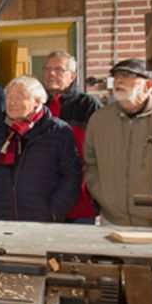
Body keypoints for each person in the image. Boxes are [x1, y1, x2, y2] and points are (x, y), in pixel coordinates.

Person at [0, 75, 81, 223]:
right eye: (9, 97)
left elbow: (71, 176)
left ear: (37, 101)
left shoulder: (58, 132)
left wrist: (54, 212)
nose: (11, 102)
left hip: (42, 221)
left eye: (19, 97)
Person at [83, 58, 152, 228]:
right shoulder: (99, 120)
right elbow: (90, 164)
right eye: (116, 76)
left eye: (128, 75)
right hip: (112, 220)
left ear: (148, 86)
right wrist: (104, 196)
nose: (119, 80)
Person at [41, 51, 101, 222]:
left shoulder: (88, 105)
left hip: (80, 197)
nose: (51, 74)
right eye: (47, 69)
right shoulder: (35, 104)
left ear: (72, 76)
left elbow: (99, 153)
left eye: (59, 69)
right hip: (42, 196)